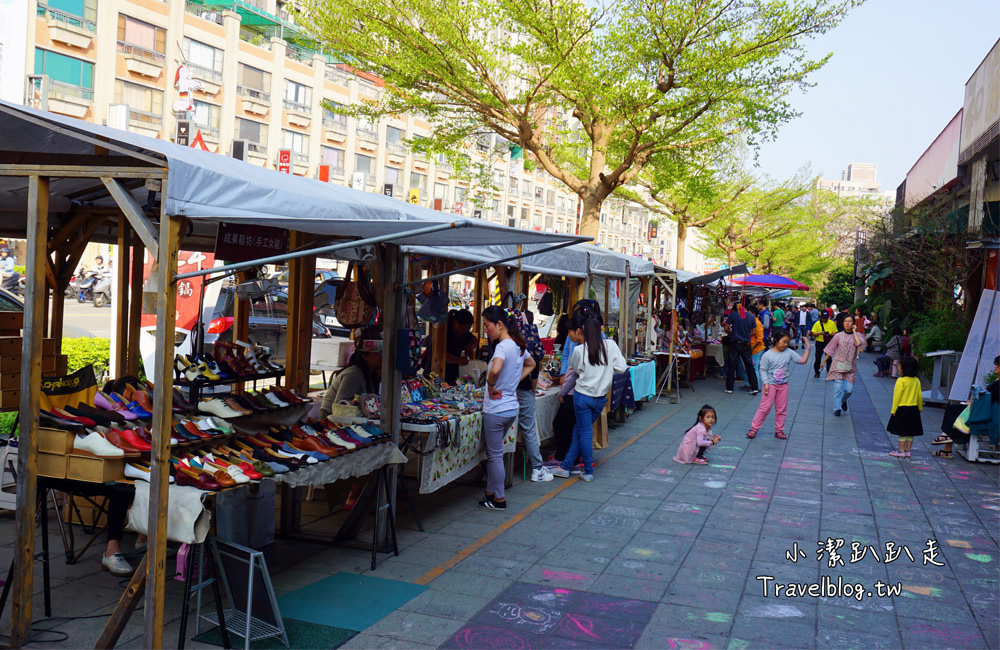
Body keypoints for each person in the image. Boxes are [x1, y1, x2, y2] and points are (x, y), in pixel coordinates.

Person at [551, 310, 626, 482]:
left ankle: (587, 470)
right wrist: (607, 369)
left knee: (583, 432)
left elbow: (576, 371)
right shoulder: (611, 346)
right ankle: (566, 466)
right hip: (600, 398)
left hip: (582, 397)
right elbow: (621, 368)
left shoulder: (579, 351)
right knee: (580, 431)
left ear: (583, 330)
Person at [479, 306, 531, 510]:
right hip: (510, 408)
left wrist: (491, 385)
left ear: (499, 325)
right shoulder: (517, 345)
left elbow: (496, 369)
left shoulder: (502, 347)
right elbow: (531, 364)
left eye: (487, 326)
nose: (486, 330)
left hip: (497, 409)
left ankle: (499, 499)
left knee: (495, 456)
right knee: (495, 454)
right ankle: (490, 493)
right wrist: (513, 381)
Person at [747, 332, 811, 440]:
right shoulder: (767, 355)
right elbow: (763, 370)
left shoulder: (789, 352)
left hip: (783, 385)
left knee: (781, 409)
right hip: (770, 385)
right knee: (765, 408)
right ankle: (754, 429)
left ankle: (779, 430)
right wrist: (765, 383)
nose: (785, 344)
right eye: (783, 342)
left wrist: (808, 347)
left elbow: (802, 361)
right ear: (776, 340)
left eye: (787, 342)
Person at [515, 311, 552, 483]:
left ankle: (491, 469)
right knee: (528, 429)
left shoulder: (503, 343)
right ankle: (537, 468)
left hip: (503, 393)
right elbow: (534, 367)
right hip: (523, 390)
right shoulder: (529, 338)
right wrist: (532, 389)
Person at [319, 339, 382, 418]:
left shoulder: (373, 374)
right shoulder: (354, 374)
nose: (381, 357)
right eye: (377, 354)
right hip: (331, 418)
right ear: (364, 356)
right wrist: (361, 402)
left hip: (351, 418)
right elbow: (340, 404)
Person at [821, 315, 865, 416]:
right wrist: (823, 361)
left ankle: (844, 400)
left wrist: (854, 331)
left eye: (850, 321)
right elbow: (831, 349)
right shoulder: (838, 336)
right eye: (845, 321)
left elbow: (859, 344)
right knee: (838, 389)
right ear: (842, 323)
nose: (847, 323)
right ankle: (837, 408)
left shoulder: (857, 335)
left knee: (849, 390)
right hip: (838, 366)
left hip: (850, 367)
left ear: (853, 324)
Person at [887, 356, 923, 458]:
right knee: (910, 431)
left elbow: (896, 397)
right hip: (914, 408)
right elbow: (919, 396)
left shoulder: (901, 381)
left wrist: (893, 410)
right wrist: (920, 407)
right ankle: (908, 451)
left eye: (900, 365)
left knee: (902, 432)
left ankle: (901, 451)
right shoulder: (916, 380)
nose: (898, 367)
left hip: (902, 409)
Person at [724, 302, 759, 395]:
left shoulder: (733, 315)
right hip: (746, 344)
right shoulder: (751, 317)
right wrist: (746, 334)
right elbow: (754, 332)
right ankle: (755, 387)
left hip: (735, 343)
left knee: (731, 366)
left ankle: (729, 388)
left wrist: (731, 333)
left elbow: (726, 328)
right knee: (749, 366)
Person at [444, 309, 477, 385]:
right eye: (463, 329)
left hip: (453, 375)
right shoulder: (444, 332)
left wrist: (471, 345)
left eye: (468, 329)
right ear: (455, 323)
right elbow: (441, 355)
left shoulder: (464, 335)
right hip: (438, 373)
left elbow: (472, 339)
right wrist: (459, 360)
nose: (465, 331)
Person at [810, 311, 837, 377]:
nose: (825, 319)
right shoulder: (817, 323)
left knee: (829, 358)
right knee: (818, 358)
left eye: (826, 318)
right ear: (821, 317)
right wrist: (819, 333)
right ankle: (817, 372)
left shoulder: (832, 323)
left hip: (828, 342)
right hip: (819, 342)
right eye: (823, 318)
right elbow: (813, 333)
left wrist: (830, 334)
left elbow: (835, 332)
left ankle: (829, 373)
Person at [749, 306, 765, 390]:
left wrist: (751, 347)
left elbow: (759, 339)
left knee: (755, 368)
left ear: (753, 313)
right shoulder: (752, 322)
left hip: (756, 349)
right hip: (752, 348)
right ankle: (749, 384)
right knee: (750, 367)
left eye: (749, 312)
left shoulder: (757, 323)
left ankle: (757, 386)